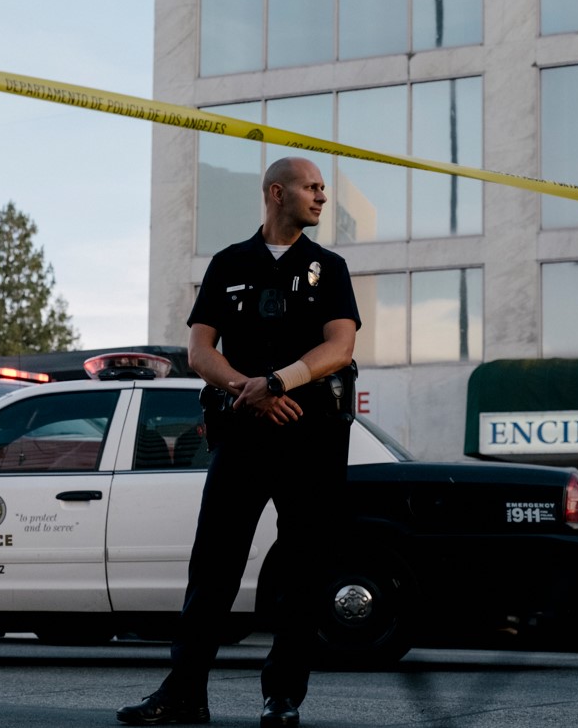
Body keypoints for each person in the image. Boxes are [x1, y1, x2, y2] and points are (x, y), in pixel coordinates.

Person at [116, 157, 360, 727]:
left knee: (301, 570)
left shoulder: (330, 267)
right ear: (277, 193)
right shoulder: (228, 264)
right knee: (213, 568)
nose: (321, 197)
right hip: (245, 435)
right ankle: (183, 694)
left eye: (323, 188)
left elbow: (340, 347)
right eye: (311, 187)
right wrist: (248, 392)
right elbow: (201, 352)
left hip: (313, 438)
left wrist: (278, 382)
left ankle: (283, 697)